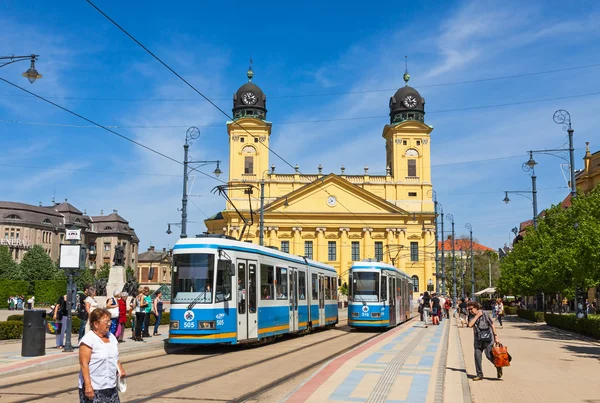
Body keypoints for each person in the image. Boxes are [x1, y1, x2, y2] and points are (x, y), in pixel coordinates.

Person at [79, 308, 126, 402]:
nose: (109, 324)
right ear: (96, 324)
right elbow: (84, 364)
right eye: (106, 322)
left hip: (111, 386)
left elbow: (115, 357)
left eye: (110, 321)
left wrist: (120, 369)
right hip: (94, 387)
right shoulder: (88, 340)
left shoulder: (111, 337)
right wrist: (88, 385)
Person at [467, 301, 502, 380]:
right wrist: (477, 316)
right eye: (469, 309)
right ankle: (479, 375)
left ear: (476, 307)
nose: (470, 311)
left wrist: (496, 336)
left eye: (471, 309)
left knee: (489, 356)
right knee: (477, 357)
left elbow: (492, 325)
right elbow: (470, 325)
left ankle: (498, 366)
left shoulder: (485, 313)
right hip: (478, 340)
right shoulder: (471, 316)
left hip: (488, 339)